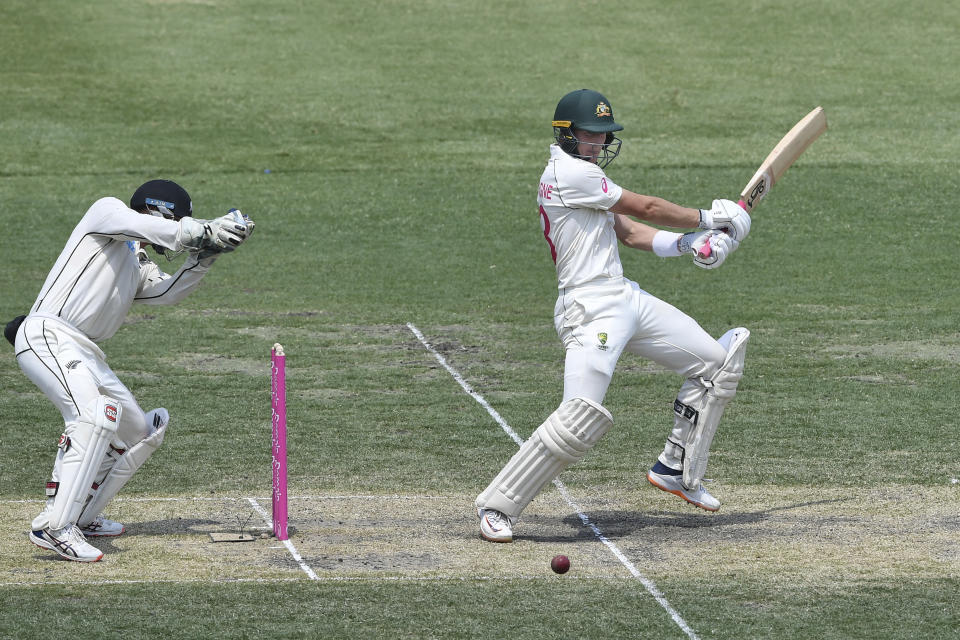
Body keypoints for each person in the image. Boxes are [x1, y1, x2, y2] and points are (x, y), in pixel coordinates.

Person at [475, 89, 751, 542]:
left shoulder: (584, 176)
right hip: (589, 310)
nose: (599, 144)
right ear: (565, 135)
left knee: (716, 365)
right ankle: (496, 507)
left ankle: (675, 468)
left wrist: (689, 245)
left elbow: (631, 230)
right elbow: (643, 207)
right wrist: (706, 217)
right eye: (591, 134)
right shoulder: (568, 173)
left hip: (625, 298)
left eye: (604, 136)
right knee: (578, 418)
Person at [6, 179, 254, 562]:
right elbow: (150, 228)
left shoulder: (135, 260)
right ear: (159, 210)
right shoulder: (107, 214)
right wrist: (202, 230)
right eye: (177, 220)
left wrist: (205, 255)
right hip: (48, 335)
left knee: (138, 432)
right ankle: (55, 526)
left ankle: (82, 515)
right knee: (92, 418)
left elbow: (166, 293)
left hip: (87, 352)